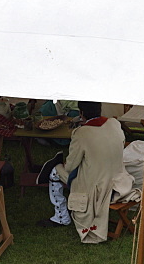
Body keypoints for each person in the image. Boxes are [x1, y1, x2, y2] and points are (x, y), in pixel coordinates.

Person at [38, 100, 134, 243]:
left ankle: (61, 217)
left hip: (96, 184)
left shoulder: (81, 133)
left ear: (81, 113)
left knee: (54, 170)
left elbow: (70, 166)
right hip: (118, 178)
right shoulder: (114, 123)